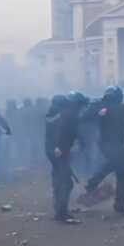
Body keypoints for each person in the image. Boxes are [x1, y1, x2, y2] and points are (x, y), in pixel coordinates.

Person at [84, 86, 124, 217]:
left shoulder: (102, 106)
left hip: (106, 144)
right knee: (123, 176)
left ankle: (92, 182)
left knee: (112, 164)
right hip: (114, 145)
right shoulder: (117, 108)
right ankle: (119, 206)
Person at [46, 94, 80, 222]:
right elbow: (60, 132)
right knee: (66, 182)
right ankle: (61, 213)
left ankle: (58, 209)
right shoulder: (62, 116)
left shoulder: (50, 114)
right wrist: (59, 147)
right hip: (59, 151)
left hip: (52, 151)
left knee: (58, 179)